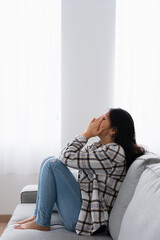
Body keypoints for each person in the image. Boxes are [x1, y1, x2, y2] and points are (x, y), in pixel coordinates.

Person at [14, 108, 145, 235]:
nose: (98, 119)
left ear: (113, 130)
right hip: (83, 205)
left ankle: (42, 223)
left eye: (104, 118)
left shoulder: (114, 152)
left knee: (51, 164)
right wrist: (86, 134)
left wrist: (87, 134)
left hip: (86, 220)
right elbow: (68, 156)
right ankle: (38, 216)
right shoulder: (99, 147)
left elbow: (66, 158)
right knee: (48, 160)